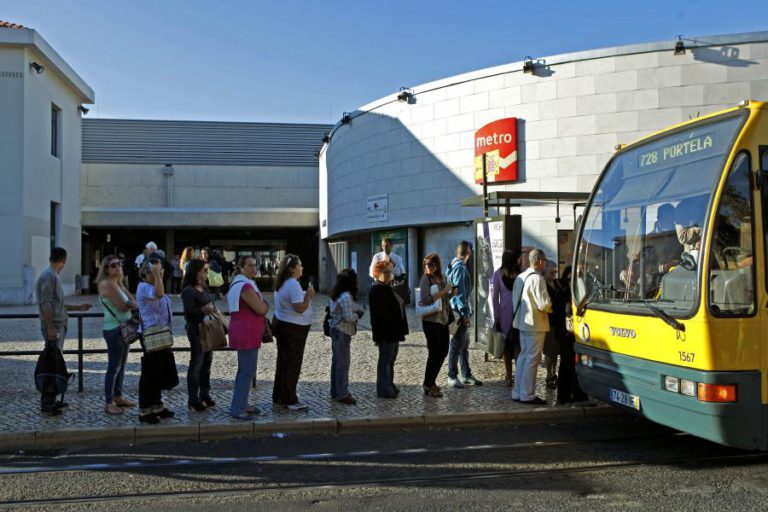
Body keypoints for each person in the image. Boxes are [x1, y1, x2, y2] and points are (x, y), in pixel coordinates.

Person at [36, 247, 92, 415]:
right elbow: (45, 303)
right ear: (64, 260)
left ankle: (52, 399)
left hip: (57, 325)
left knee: (54, 362)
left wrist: (78, 307)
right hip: (54, 327)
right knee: (52, 364)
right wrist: (51, 327)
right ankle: (47, 402)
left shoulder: (53, 275)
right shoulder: (49, 276)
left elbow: (57, 304)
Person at [135, 257, 178, 424]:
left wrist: (158, 275)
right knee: (149, 372)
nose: (161, 274)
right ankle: (145, 409)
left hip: (161, 333)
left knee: (158, 370)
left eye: (162, 271)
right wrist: (157, 275)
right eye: (157, 271)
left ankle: (157, 404)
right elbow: (159, 294)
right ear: (148, 272)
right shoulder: (144, 287)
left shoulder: (153, 285)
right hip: (150, 334)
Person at [228, 256, 269, 419]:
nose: (253, 268)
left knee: (245, 370)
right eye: (250, 265)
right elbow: (260, 309)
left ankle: (242, 404)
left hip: (245, 330)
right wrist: (266, 304)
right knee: (247, 371)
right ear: (241, 268)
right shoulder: (244, 286)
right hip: (246, 331)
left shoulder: (240, 284)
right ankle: (238, 408)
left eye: (255, 265)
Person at [96, 255, 138, 415]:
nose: (118, 267)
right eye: (113, 265)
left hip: (124, 328)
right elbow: (123, 306)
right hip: (114, 330)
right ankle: (109, 402)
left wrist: (121, 282)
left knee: (121, 367)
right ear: (106, 269)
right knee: (114, 367)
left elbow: (132, 300)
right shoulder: (106, 284)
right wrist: (130, 305)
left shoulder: (117, 284)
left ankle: (118, 396)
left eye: (119, 264)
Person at [272, 254, 315, 411]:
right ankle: (290, 399)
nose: (302, 268)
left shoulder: (283, 283)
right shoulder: (293, 284)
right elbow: (299, 307)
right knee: (292, 363)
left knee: (283, 362)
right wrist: (309, 295)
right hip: (293, 328)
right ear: (292, 269)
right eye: (299, 265)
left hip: (284, 324)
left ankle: (279, 395)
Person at [511, 249, 552, 405]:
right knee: (532, 359)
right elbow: (544, 304)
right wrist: (551, 308)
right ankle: (527, 394)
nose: (545, 264)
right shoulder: (537, 279)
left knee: (523, 356)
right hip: (535, 324)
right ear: (540, 261)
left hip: (522, 323)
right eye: (545, 261)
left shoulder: (520, 277)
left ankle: (517, 392)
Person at [181, 259, 217, 412]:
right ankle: (193, 399)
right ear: (196, 272)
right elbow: (189, 311)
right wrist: (203, 309)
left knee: (207, 363)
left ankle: (205, 394)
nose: (206, 273)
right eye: (204, 270)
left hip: (207, 329)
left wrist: (211, 308)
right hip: (196, 330)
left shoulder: (204, 287)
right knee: (196, 364)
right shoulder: (189, 290)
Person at [369, 260, 408, 398]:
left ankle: (389, 384)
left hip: (394, 330)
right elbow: (381, 314)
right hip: (386, 331)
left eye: (391, 271)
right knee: (385, 359)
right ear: (378, 274)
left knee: (391, 359)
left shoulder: (389, 287)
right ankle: (383, 389)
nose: (390, 274)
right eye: (386, 272)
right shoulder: (377, 289)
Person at [446, 240, 482, 388]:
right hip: (459, 314)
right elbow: (461, 295)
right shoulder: (460, 268)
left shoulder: (453, 265)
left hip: (457, 311)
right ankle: (452, 376)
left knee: (464, 345)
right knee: (456, 345)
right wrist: (465, 315)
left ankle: (466, 374)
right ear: (469, 253)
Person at [418, 254, 453, 398]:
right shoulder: (425, 279)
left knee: (444, 351)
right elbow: (424, 300)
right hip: (431, 321)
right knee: (434, 352)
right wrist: (443, 292)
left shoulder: (442, 278)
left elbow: (445, 298)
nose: (428, 267)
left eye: (431, 265)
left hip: (443, 319)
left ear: (437, 265)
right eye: (426, 265)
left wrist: (450, 293)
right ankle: (429, 383)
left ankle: (430, 381)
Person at [329, 269, 365, 404]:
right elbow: (348, 317)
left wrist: (358, 308)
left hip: (336, 331)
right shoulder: (346, 296)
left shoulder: (336, 295)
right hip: (342, 332)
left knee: (336, 363)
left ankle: (335, 390)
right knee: (343, 364)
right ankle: (342, 394)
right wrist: (358, 315)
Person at [555, 266, 589, 405]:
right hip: (566, 334)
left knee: (565, 365)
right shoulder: (562, 293)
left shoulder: (577, 293)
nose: (572, 281)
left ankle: (563, 395)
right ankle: (577, 395)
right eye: (570, 279)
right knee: (570, 364)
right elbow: (562, 314)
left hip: (571, 333)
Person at [491, 249, 521, 387]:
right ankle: (519, 374)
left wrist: (496, 315)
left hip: (504, 311)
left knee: (506, 346)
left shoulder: (497, 274)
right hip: (518, 310)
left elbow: (494, 296)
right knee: (516, 343)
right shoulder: (519, 274)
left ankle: (508, 376)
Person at [543, 263, 561, 389]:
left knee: (555, 351)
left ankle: (554, 373)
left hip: (558, 322)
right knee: (549, 351)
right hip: (548, 322)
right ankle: (549, 375)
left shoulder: (557, 284)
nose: (554, 275)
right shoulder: (543, 285)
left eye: (555, 272)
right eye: (551, 273)